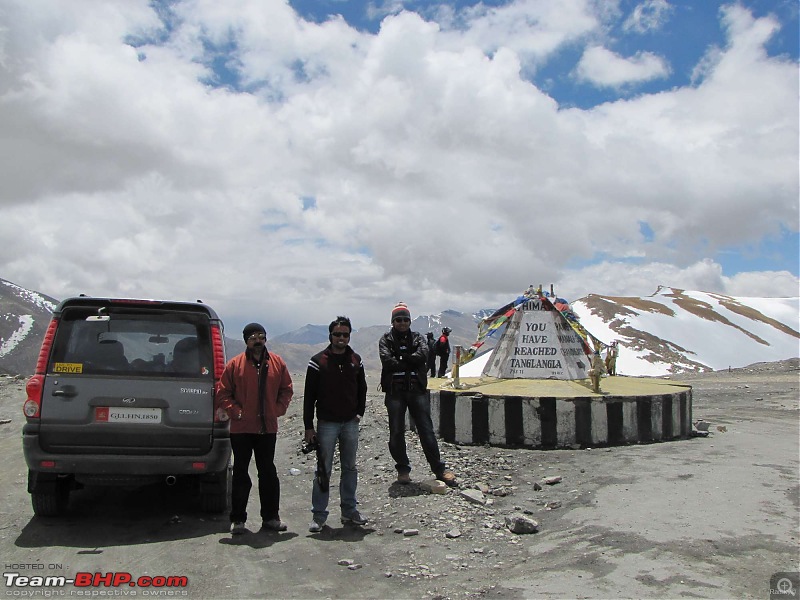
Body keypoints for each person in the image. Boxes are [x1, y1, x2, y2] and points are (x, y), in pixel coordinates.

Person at [215, 323, 293, 534]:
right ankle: (238, 519)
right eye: (253, 338)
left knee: (268, 472)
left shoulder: (277, 363)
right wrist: (236, 411)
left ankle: (271, 518)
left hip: (267, 428)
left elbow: (286, 389)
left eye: (261, 336)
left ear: (266, 338)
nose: (258, 341)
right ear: (246, 341)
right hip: (241, 429)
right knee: (241, 473)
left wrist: (278, 408)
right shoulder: (235, 365)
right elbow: (223, 393)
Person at [379, 302, 456, 487]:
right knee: (396, 431)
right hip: (394, 392)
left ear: (410, 321)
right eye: (398, 320)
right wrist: (410, 361)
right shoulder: (385, 339)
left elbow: (423, 356)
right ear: (393, 322)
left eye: (405, 319)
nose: (402, 323)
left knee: (426, 430)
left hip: (417, 390)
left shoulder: (418, 338)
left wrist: (401, 358)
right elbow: (387, 361)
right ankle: (403, 469)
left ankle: (439, 469)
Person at [303, 316, 368, 532]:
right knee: (324, 469)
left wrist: (359, 412)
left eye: (345, 335)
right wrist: (308, 426)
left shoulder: (356, 360)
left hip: (350, 422)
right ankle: (319, 515)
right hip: (327, 424)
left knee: (350, 468)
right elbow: (309, 396)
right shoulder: (318, 361)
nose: (341, 338)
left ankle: (349, 511)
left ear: (349, 336)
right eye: (337, 334)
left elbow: (362, 389)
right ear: (330, 335)